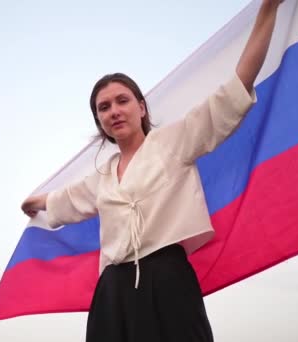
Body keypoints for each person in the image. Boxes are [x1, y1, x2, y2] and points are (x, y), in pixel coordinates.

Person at [21, 1, 284, 341]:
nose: (114, 110)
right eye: (104, 107)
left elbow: (235, 90)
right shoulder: (101, 177)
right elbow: (66, 200)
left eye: (122, 100)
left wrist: (268, 11)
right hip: (112, 293)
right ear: (100, 122)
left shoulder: (175, 141)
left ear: (141, 106)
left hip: (169, 281)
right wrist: (35, 202)